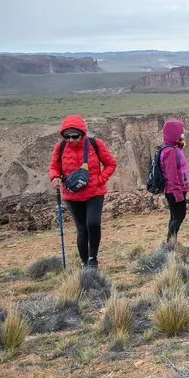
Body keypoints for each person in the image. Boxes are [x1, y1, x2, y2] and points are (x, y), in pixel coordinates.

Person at [48, 115, 117, 268]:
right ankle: (84, 262)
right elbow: (54, 167)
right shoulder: (60, 148)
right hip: (72, 195)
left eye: (75, 136)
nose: (71, 140)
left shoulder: (95, 144)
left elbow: (110, 164)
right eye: (67, 136)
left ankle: (93, 258)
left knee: (93, 223)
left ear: (83, 133)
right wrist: (55, 177)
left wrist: (99, 180)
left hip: (94, 193)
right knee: (81, 228)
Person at [160, 119, 189, 243]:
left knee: (175, 216)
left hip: (175, 189)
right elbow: (172, 175)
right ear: (174, 133)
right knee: (179, 216)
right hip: (174, 190)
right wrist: (178, 194)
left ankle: (171, 243)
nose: (182, 134)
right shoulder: (170, 151)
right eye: (180, 131)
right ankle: (170, 244)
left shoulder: (171, 148)